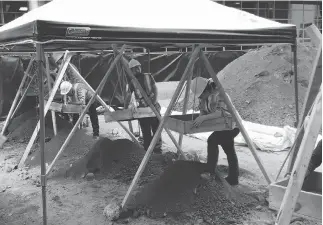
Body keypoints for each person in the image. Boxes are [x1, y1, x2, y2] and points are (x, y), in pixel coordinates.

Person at [191, 77, 240, 185]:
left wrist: (203, 119)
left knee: (212, 141)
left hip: (232, 125)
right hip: (221, 126)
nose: (200, 97)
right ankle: (233, 178)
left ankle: (210, 171)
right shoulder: (203, 97)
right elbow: (203, 110)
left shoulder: (220, 94)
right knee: (229, 150)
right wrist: (200, 117)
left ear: (207, 90)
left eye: (201, 95)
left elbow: (220, 113)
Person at [125, 59, 162, 153]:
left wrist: (154, 102)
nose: (137, 70)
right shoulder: (135, 81)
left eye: (137, 68)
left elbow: (155, 89)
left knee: (153, 129)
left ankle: (153, 149)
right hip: (147, 109)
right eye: (135, 68)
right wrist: (125, 108)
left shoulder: (146, 76)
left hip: (150, 107)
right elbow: (129, 95)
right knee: (150, 130)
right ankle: (151, 149)